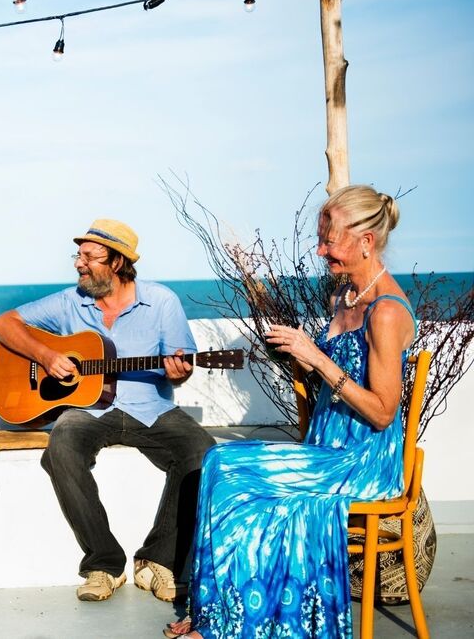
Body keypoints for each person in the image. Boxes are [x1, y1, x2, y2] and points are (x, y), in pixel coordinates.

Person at [165, 186, 414, 639]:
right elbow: (330, 380)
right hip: (325, 448)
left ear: (365, 242)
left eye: (329, 241)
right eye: (321, 240)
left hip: (360, 462)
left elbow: (381, 413)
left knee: (236, 477)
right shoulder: (345, 297)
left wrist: (317, 358)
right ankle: (217, 614)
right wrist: (296, 352)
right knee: (219, 461)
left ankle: (230, 625)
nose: (321, 251)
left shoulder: (386, 313)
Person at [0, 219, 215, 604]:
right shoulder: (68, 301)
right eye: (78, 255)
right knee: (60, 448)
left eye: (89, 257)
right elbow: (3, 323)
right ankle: (104, 563)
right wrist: (46, 355)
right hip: (88, 410)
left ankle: (158, 561)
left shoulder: (161, 302)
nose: (79, 263)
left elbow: (179, 368)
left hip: (151, 409)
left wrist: (181, 370)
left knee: (203, 453)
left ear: (117, 262)